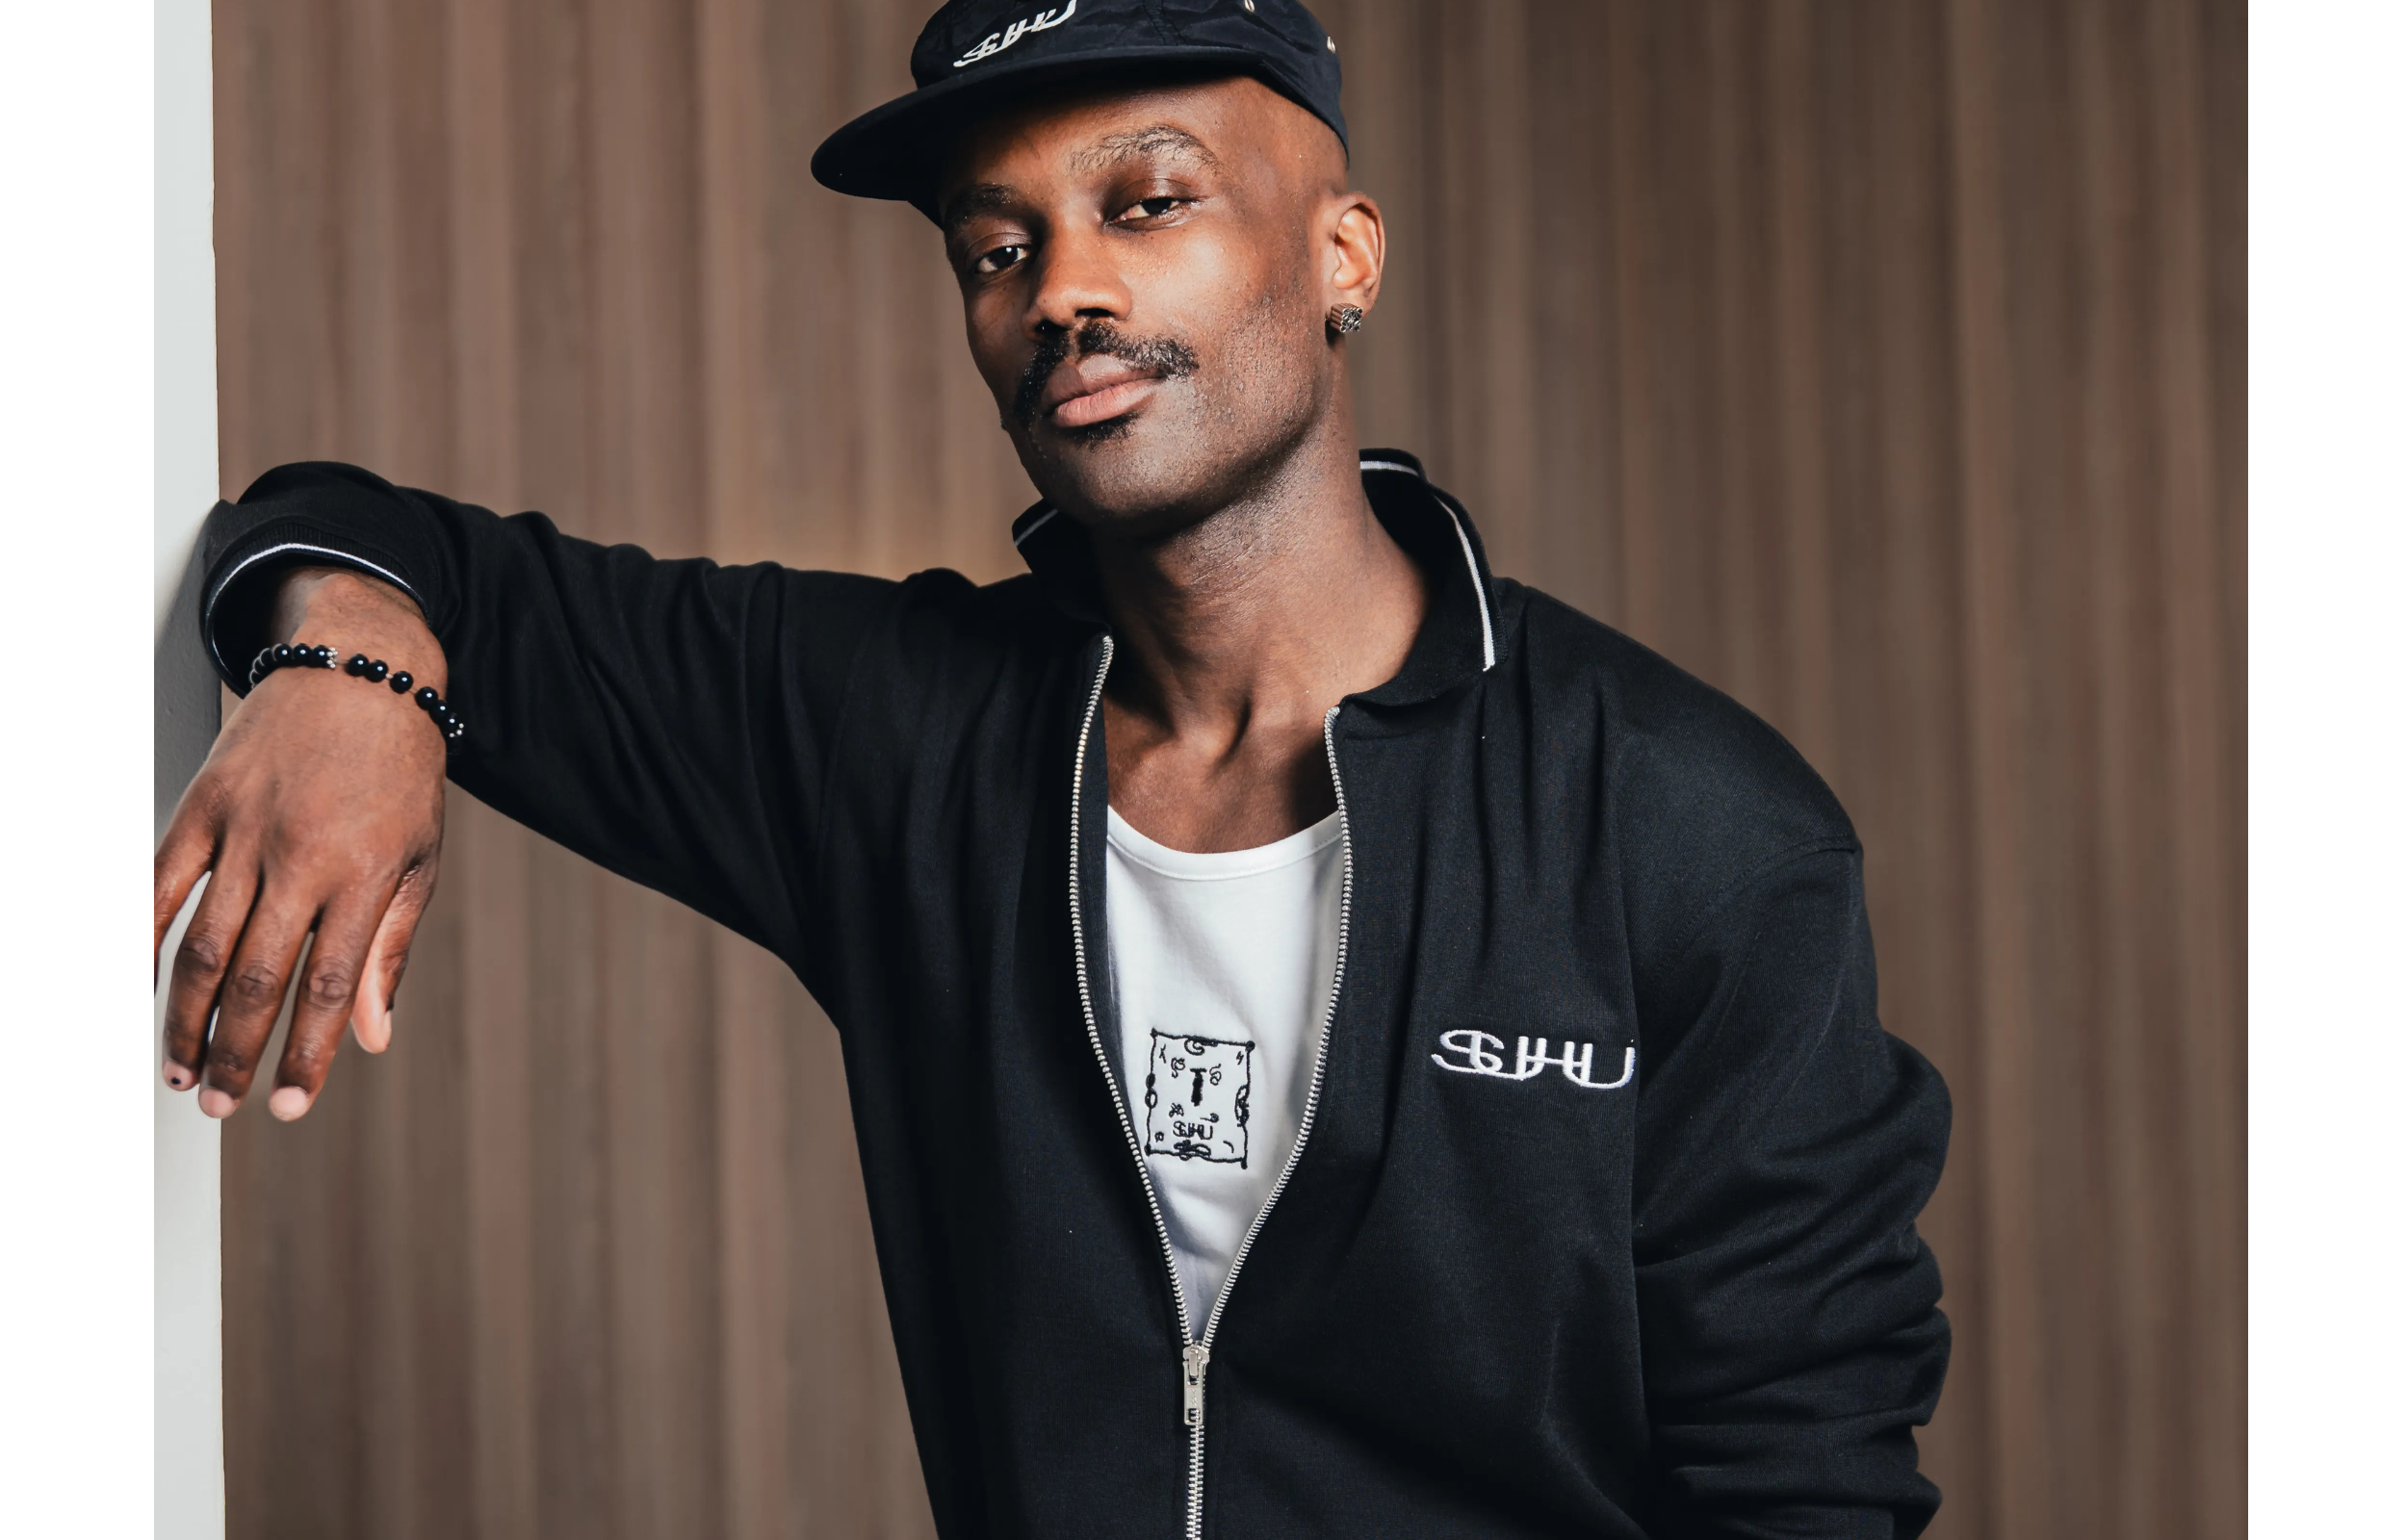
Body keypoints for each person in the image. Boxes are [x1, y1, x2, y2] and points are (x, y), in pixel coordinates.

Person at [153, 2, 1951, 1534]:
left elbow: (1804, 1479)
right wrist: (346, 665)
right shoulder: (903, 741)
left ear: (1345, 255)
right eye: (996, 248)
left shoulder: (1694, 833)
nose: (1063, 291)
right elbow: (365, 536)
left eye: (1147, 203)